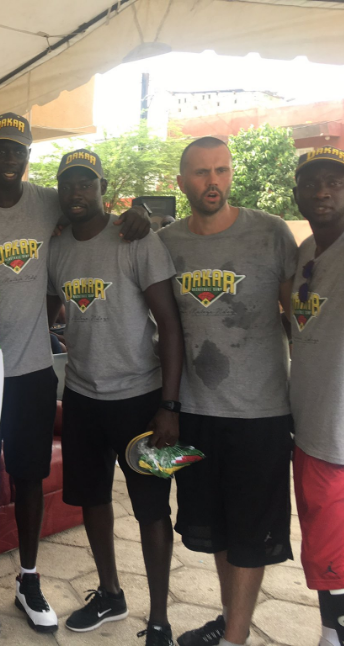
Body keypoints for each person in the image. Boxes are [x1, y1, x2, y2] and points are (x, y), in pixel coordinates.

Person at [0, 114, 150, 637]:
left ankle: (28, 578)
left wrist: (136, 212)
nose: (10, 159)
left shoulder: (48, 202)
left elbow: (89, 208)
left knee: (30, 476)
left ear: (28, 157)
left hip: (32, 371)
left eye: (19, 151)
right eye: (2, 149)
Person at [158, 137, 297, 646]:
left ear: (231, 174)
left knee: (250, 535)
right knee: (216, 529)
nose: (212, 181)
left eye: (220, 170)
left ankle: (235, 638)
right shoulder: (168, 242)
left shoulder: (270, 233)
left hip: (260, 413)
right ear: (181, 182)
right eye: (200, 172)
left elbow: (299, 321)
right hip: (196, 412)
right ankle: (230, 621)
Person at [46, 150, 183, 646]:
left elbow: (169, 324)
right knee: (92, 500)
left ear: (102, 186)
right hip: (81, 395)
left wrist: (170, 405)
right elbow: (48, 310)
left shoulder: (135, 238)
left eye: (87, 183)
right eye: (69, 184)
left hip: (141, 398)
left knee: (151, 510)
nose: (77, 192)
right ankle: (109, 593)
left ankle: (161, 618)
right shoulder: (57, 248)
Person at [289, 147, 344, 646]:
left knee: (332, 549)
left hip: (338, 432)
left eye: (334, 182)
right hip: (308, 423)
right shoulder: (306, 249)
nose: (322, 192)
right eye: (312, 183)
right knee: (320, 545)